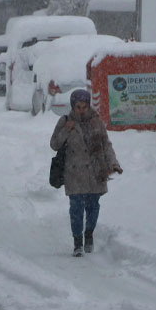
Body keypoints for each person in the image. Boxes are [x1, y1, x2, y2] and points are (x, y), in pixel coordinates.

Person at [50, 89, 123, 257]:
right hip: (74, 173)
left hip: (95, 172)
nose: (81, 110)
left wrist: (113, 163)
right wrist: (66, 130)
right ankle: (77, 243)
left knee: (93, 207)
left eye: (84, 106)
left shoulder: (97, 122)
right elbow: (54, 144)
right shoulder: (65, 121)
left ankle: (89, 233)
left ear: (89, 106)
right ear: (73, 106)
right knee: (76, 208)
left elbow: (106, 146)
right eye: (78, 106)